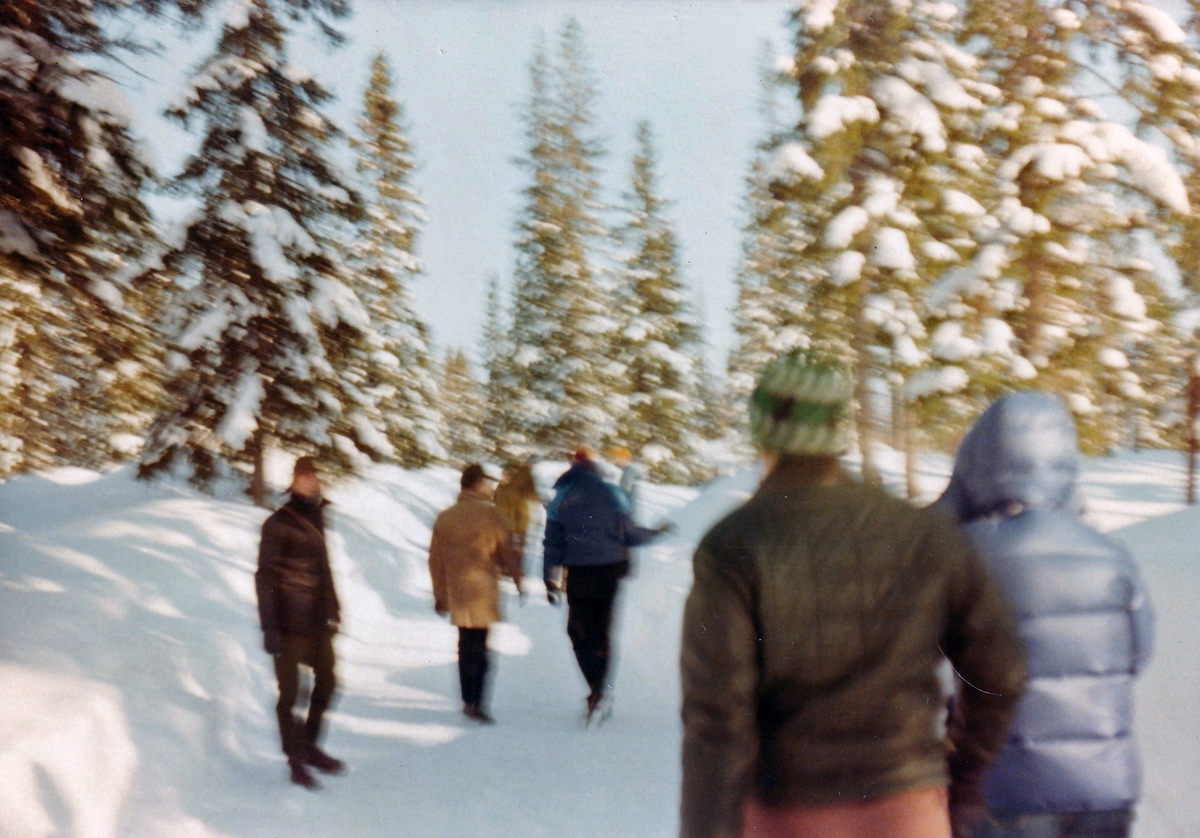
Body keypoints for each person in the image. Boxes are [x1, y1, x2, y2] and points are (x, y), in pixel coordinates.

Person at [679, 351, 1027, 838]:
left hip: (787, 815)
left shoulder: (731, 546)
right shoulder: (923, 535)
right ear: (836, 429)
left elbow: (718, 722)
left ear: (762, 428)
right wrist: (961, 778)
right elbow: (1002, 673)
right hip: (909, 812)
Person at [937, 391, 1155, 838]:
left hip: (1001, 790)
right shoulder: (1110, 554)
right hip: (1103, 787)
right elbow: (1138, 653)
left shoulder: (963, 556)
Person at [543, 446, 670, 724]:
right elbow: (632, 535)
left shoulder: (561, 496)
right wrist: (657, 533)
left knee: (578, 632)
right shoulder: (613, 493)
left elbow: (552, 543)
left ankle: (595, 689)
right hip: (611, 572)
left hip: (578, 574)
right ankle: (601, 691)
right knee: (603, 633)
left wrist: (549, 578)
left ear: (572, 467)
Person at [255, 455, 345, 790]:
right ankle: (295, 760)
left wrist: (333, 608)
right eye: (305, 477)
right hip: (287, 624)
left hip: (318, 622)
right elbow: (264, 579)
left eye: (316, 476)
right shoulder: (277, 523)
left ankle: (308, 745)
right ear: (293, 481)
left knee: (328, 685)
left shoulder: (318, 515)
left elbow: (323, 568)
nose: (312, 482)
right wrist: (270, 628)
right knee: (290, 695)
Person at [429, 463, 523, 724]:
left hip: (458, 592)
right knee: (481, 646)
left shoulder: (445, 517)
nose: (492, 488)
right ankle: (478, 703)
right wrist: (518, 580)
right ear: (477, 484)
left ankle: (467, 700)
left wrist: (440, 594)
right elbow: (508, 553)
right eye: (488, 483)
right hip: (483, 591)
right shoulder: (493, 515)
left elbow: (435, 560)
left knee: (464, 644)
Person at [492, 462, 546, 579]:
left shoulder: (522, 481)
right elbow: (495, 500)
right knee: (504, 545)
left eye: (507, 474)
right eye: (504, 474)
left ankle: (515, 569)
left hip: (520, 519)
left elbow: (532, 495)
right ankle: (503, 567)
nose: (505, 476)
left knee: (518, 546)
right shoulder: (501, 487)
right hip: (505, 520)